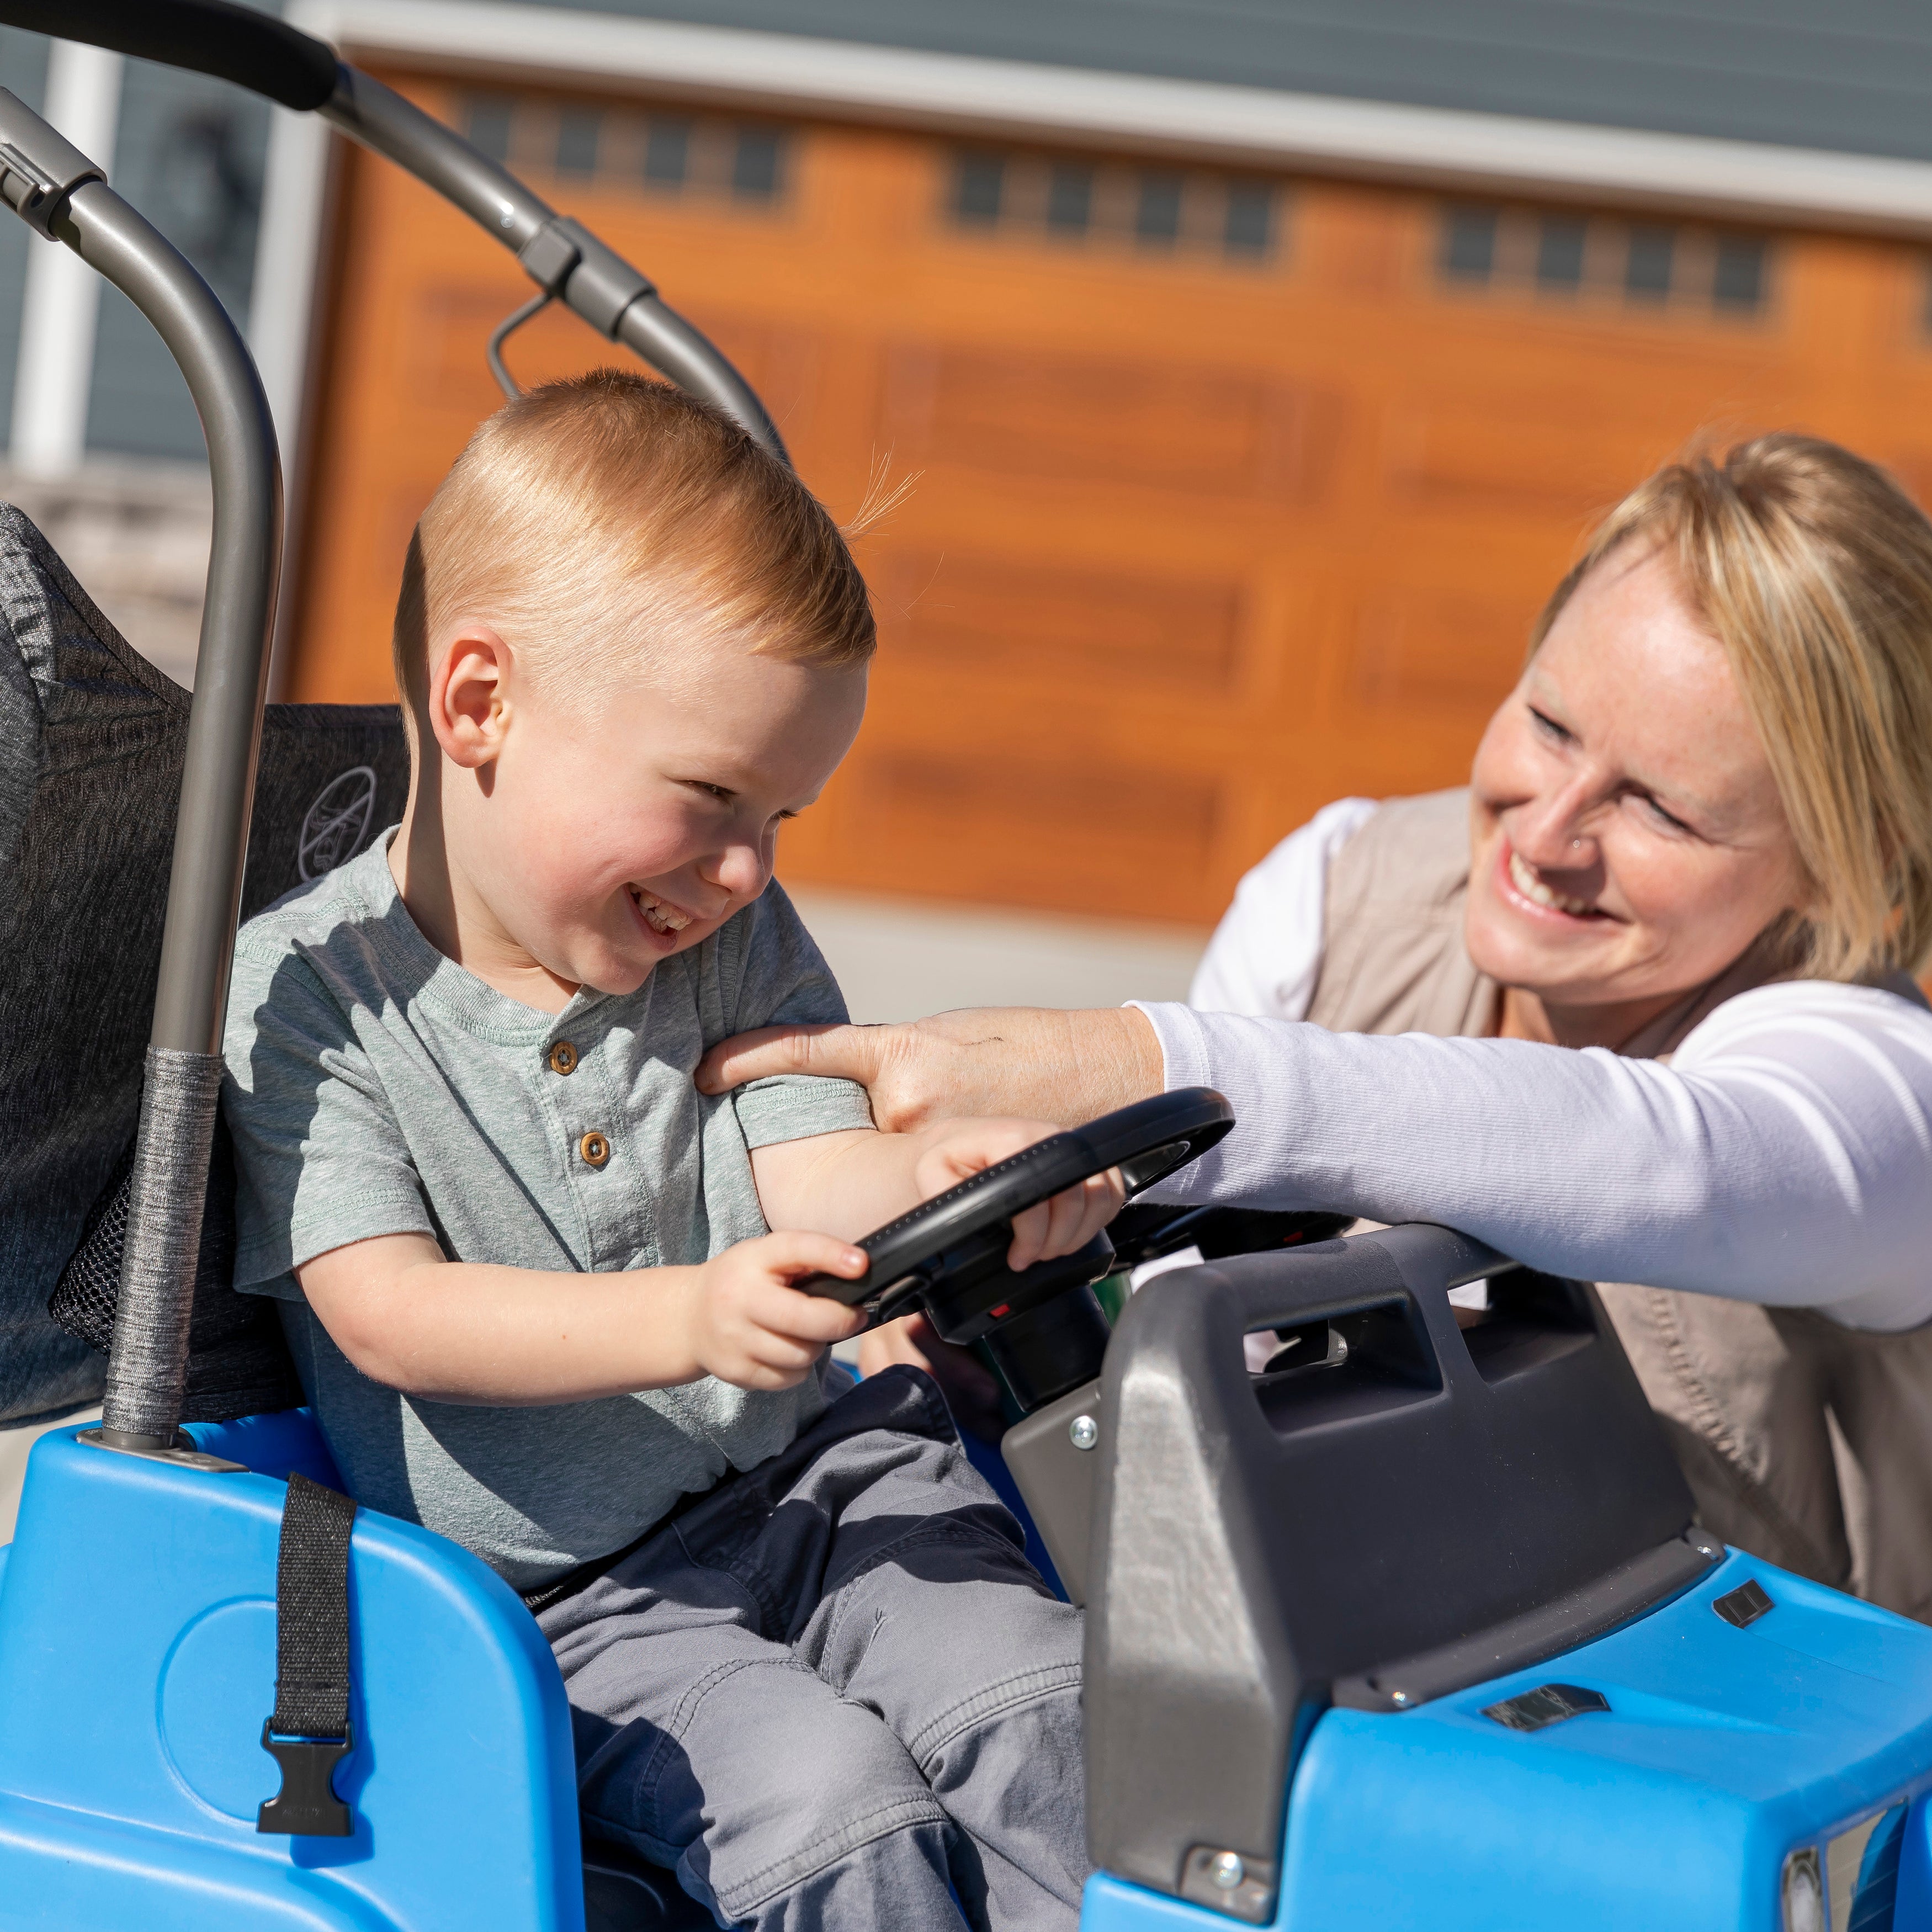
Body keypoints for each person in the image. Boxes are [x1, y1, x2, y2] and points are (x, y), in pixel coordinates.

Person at [697, 433, 1932, 1621]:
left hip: (1736, 1758)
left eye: (1659, 808)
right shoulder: (1346, 888)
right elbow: (1175, 1332)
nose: (1545, 836)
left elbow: (1662, 1162)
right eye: (1549, 725)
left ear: (1841, 864)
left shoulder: (1879, 1095)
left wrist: (1146, 1068)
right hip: (1350, 1650)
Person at [221, 373, 1110, 1932]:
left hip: (823, 1477)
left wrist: (960, 1178)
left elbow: (811, 1170)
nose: (748, 865)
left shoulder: (729, 935)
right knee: (834, 1813)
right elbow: (385, 1311)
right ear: (481, 702)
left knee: (1040, 1692)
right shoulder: (313, 1001)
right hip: (577, 1597)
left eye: (780, 812)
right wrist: (686, 1316)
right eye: (710, 796)